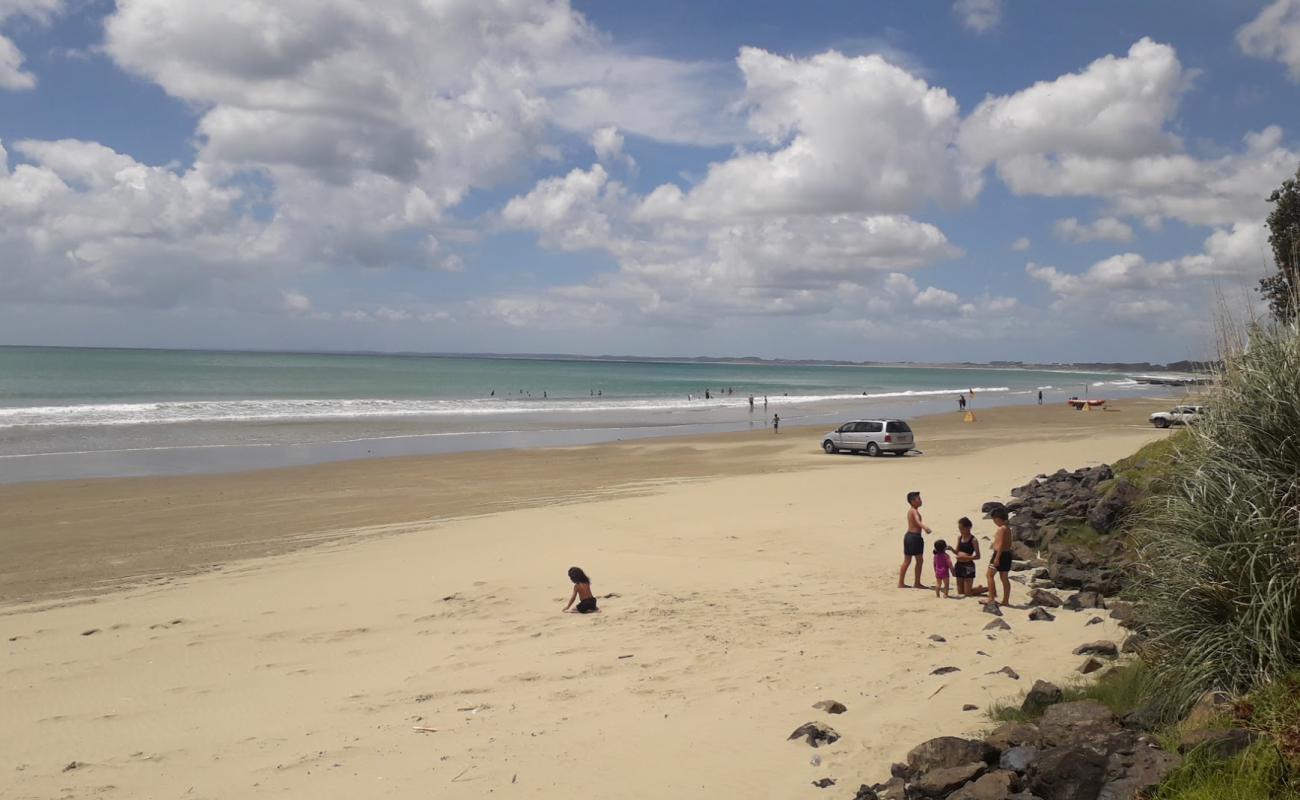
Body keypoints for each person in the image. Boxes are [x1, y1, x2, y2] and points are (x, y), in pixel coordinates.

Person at [897, 491, 932, 588]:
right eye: (918, 499)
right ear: (912, 501)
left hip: (908, 537)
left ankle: (901, 583)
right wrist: (925, 528)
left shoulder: (911, 511)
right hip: (915, 538)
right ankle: (917, 583)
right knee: (919, 560)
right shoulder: (914, 511)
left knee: (907, 561)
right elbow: (917, 521)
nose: (921, 500)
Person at [981, 507, 1014, 607]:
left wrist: (997, 558)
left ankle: (991, 598)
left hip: (1000, 554)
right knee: (1004, 578)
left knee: (989, 575)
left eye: (994, 520)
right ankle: (1005, 600)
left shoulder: (1001, 529)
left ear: (998, 519)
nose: (994, 522)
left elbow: (1000, 544)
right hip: (1007, 554)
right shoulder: (1007, 528)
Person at [952, 517, 984, 596]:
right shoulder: (959, 538)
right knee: (960, 592)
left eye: (961, 528)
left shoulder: (974, 540)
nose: (960, 530)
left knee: (967, 593)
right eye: (959, 528)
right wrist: (951, 549)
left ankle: (987, 589)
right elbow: (957, 552)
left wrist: (965, 558)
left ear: (968, 527)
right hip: (959, 565)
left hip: (968, 566)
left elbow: (978, 556)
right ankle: (978, 588)